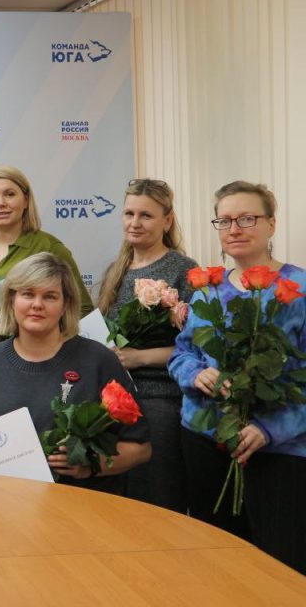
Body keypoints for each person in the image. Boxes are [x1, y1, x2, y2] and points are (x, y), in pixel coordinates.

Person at [169, 181, 306, 574]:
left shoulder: (299, 289)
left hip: (279, 449)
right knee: (217, 563)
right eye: (225, 220)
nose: (234, 229)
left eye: (247, 218)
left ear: (272, 224)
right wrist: (195, 373)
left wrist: (269, 428)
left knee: (280, 567)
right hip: (206, 440)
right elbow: (182, 354)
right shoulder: (207, 291)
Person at [0, 252, 150, 494]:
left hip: (82, 505)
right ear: (11, 299)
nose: (37, 304)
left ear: (66, 305)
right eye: (28, 294)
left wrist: (91, 465)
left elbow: (140, 448)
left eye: (50, 296)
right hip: (3, 503)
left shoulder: (99, 360)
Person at [97, 178, 197, 512]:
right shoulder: (116, 271)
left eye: (146, 215)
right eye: (129, 214)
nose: (135, 223)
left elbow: (198, 349)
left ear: (167, 221)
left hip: (161, 399)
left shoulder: (183, 271)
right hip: (115, 400)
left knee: (157, 499)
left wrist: (139, 358)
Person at [0, 166, 93, 316]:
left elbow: (83, 310)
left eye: (10, 194)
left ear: (26, 200)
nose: (0, 203)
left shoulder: (49, 247)